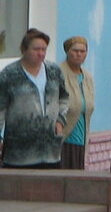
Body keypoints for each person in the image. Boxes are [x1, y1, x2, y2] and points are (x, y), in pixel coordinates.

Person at [0, 28, 69, 169]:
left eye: (44, 49)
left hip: (50, 152)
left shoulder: (54, 71)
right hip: (19, 153)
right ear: (24, 49)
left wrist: (60, 121)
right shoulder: (10, 75)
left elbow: (64, 98)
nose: (41, 53)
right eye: (36, 49)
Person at [60, 36, 96, 170]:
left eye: (83, 51)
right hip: (64, 138)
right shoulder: (59, 73)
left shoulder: (87, 77)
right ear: (67, 51)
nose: (79, 54)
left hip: (82, 137)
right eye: (75, 50)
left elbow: (89, 105)